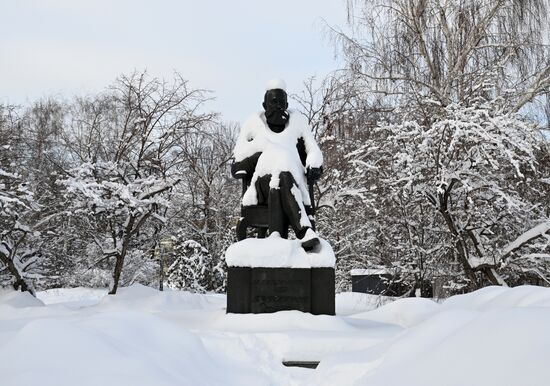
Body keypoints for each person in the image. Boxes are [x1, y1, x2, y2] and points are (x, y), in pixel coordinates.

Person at [231, 79, 323, 251]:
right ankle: (303, 230)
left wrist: (314, 164)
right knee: (280, 169)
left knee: (281, 178)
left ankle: (276, 238)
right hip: (261, 189)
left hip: (289, 185)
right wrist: (262, 154)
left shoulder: (297, 124)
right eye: (274, 102)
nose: (279, 107)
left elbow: (314, 153)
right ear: (264, 105)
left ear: (287, 104)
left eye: (282, 103)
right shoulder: (254, 125)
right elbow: (236, 168)